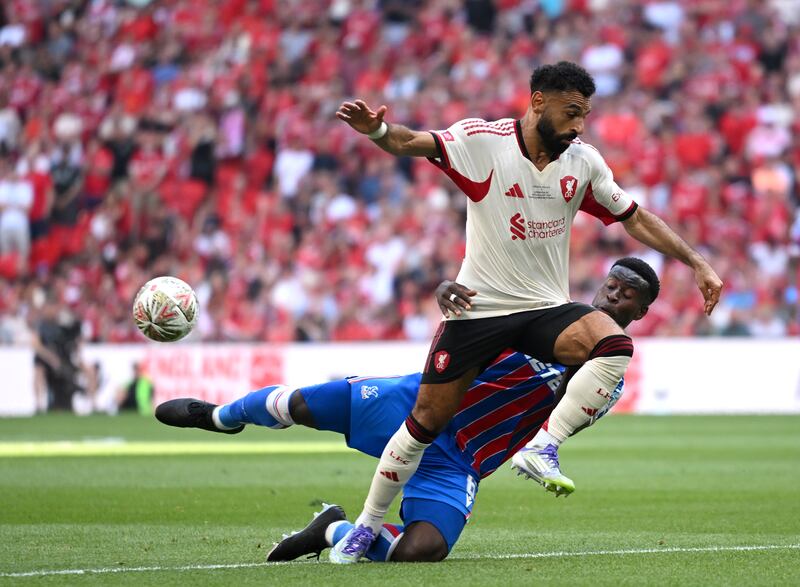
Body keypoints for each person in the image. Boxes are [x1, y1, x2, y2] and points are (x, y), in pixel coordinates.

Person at [331, 60, 723, 562]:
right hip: (479, 310)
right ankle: (364, 525)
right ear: (538, 101)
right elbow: (410, 143)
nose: (579, 125)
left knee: (613, 345)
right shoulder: (483, 142)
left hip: (542, 308)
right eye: (571, 112)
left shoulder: (583, 162)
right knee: (423, 423)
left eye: (585, 115)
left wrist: (696, 261)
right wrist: (379, 130)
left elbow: (635, 217)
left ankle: (544, 446)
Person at [156, 259, 659, 562]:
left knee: (422, 551)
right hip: (415, 402)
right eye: (611, 285)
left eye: (627, 294)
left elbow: (559, 417)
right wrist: (449, 294)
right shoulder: (546, 311)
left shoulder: (606, 379)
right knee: (301, 404)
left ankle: (330, 529)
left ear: (639, 312)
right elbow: (476, 314)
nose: (614, 294)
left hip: (460, 458)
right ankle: (220, 416)